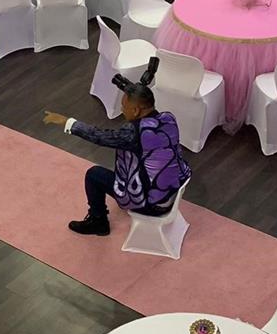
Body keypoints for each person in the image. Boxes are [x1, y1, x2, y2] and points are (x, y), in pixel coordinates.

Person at [44, 57, 191, 235]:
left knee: (94, 175)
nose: (122, 110)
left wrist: (67, 122)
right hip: (171, 193)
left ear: (136, 110)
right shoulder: (168, 118)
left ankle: (98, 222)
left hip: (151, 205)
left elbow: (100, 136)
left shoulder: (134, 133)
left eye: (124, 106)